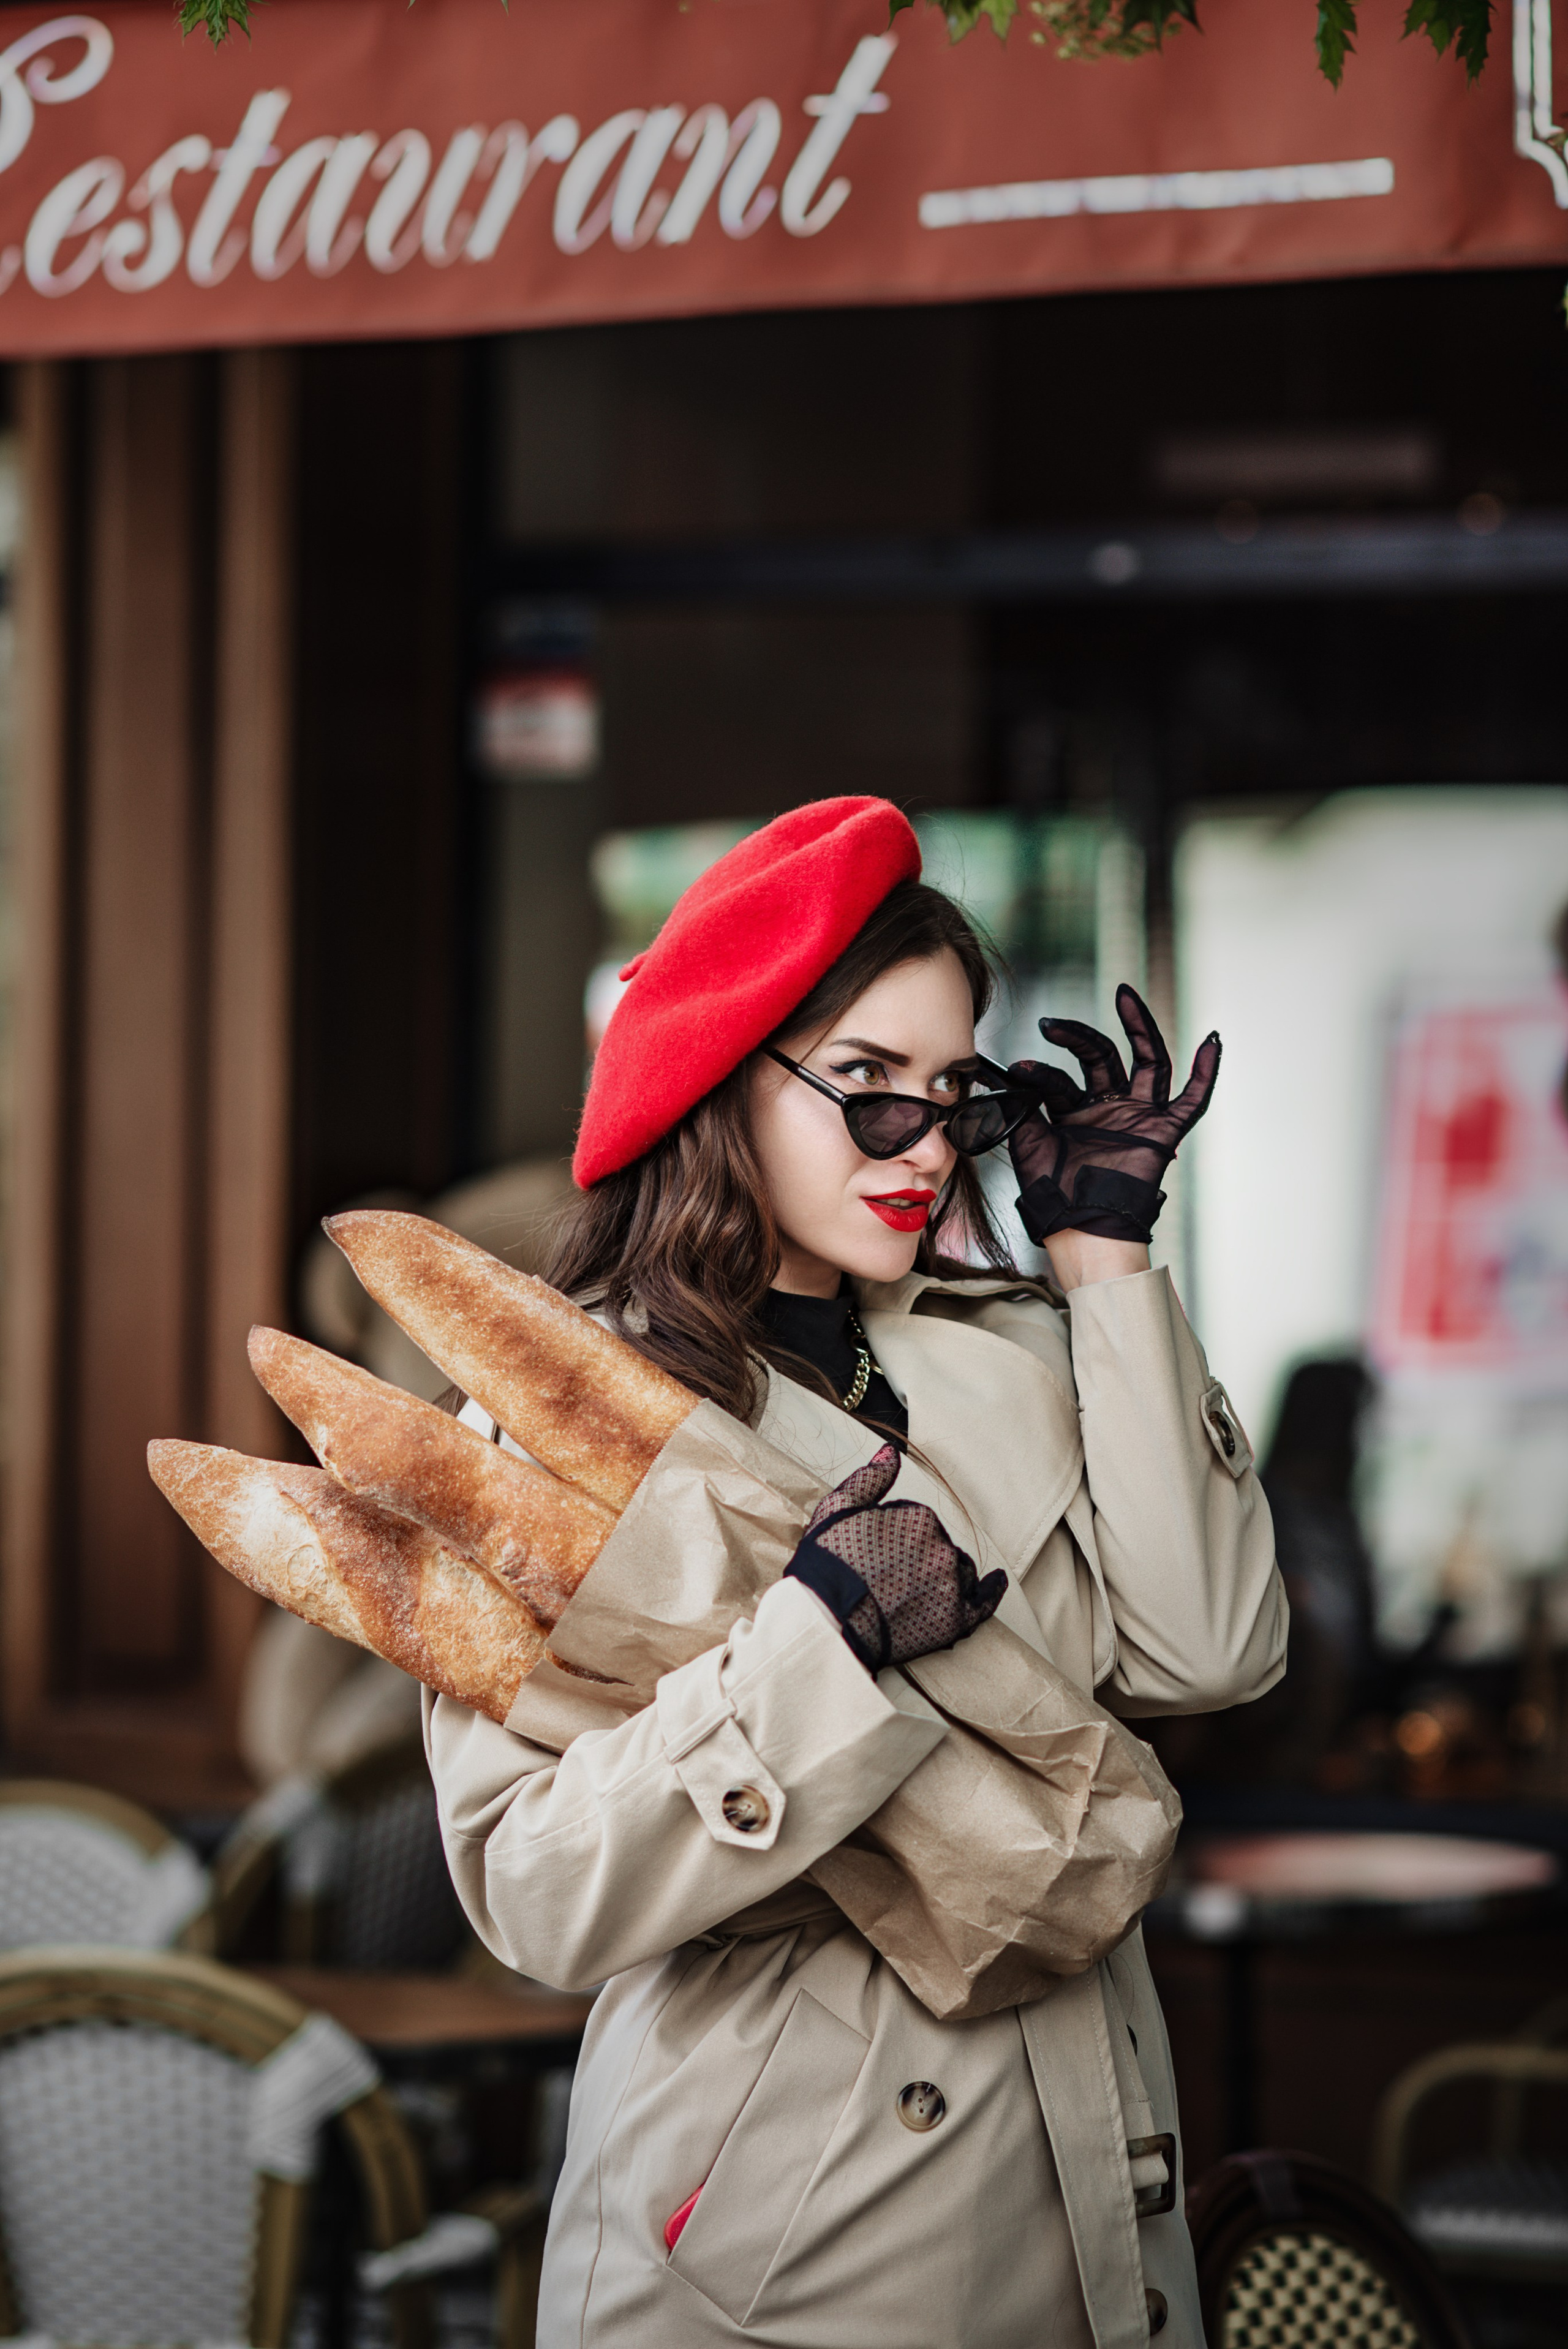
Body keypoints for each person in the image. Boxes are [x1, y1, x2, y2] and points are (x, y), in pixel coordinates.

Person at [424, 797, 1284, 2349]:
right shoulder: (558, 1416)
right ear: (717, 1078)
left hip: (1081, 2148)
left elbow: (1208, 1653)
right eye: (866, 1085)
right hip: (777, 2227)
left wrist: (1103, 1265)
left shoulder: (1021, 1352)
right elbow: (532, 1891)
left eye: (952, 1088)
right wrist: (819, 1643)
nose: (926, 1140)